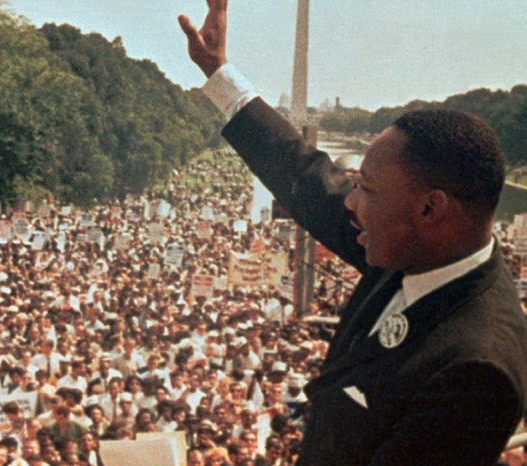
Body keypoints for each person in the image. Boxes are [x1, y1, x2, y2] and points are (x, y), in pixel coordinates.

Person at [178, 1, 527, 464]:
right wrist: (219, 74)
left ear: (429, 207)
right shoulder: (421, 250)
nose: (348, 201)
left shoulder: (476, 369)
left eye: (366, 188)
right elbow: (306, 175)